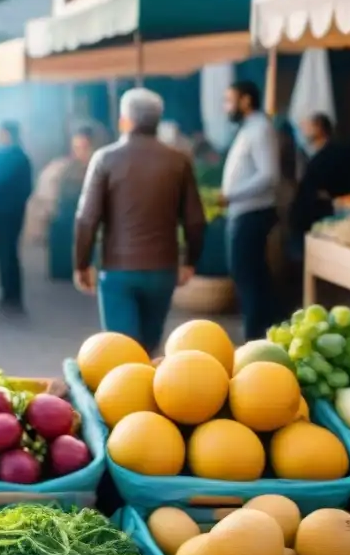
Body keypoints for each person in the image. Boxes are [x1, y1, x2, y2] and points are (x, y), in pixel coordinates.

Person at [74, 89, 205, 354]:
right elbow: (195, 220)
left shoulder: (105, 159)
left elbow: (87, 219)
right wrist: (190, 261)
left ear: (125, 121)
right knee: (149, 349)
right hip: (163, 270)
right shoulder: (179, 160)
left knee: (122, 354)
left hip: (118, 271)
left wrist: (82, 263)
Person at [221, 80, 281, 342]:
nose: (226, 106)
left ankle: (256, 338)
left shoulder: (260, 128)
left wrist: (231, 194)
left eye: (229, 100)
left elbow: (269, 175)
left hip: (252, 214)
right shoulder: (250, 128)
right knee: (250, 276)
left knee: (250, 278)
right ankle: (259, 335)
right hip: (243, 213)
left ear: (246, 100)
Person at [0, 120, 32, 314]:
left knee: (5, 253)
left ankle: (10, 295)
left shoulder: (5, 156)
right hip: (16, 211)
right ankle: (12, 294)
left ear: (6, 134)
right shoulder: (22, 157)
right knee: (10, 253)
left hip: (3, 212)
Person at [290, 113, 344, 256]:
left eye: (308, 125)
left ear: (319, 128)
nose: (303, 129)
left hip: (318, 223)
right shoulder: (313, 155)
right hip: (306, 223)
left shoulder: (331, 156)